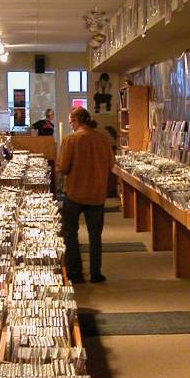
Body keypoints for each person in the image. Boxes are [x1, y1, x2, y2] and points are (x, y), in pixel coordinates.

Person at [56, 107, 114, 284]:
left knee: (70, 232)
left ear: (76, 121)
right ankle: (96, 273)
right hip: (97, 193)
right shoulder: (103, 139)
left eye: (71, 122)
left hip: (75, 193)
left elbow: (63, 167)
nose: (71, 126)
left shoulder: (71, 140)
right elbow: (111, 164)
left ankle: (75, 272)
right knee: (95, 235)